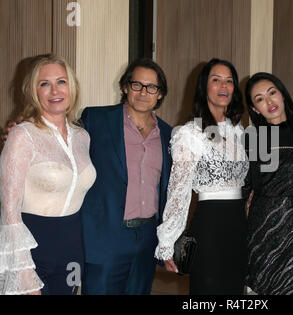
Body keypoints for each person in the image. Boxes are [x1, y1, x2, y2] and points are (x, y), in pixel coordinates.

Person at [0, 54, 96, 295]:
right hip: (32, 249)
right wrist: (22, 271)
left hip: (73, 248)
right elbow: (9, 211)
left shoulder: (82, 137)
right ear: (34, 91)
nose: (55, 90)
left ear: (72, 87)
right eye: (45, 83)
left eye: (61, 81)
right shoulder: (23, 135)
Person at [155, 58, 249, 295]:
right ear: (203, 87)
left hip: (239, 226)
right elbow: (179, 191)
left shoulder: (239, 130)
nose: (223, 86)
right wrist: (168, 243)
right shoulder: (189, 134)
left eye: (229, 81)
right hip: (209, 226)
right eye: (215, 80)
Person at [79, 58, 173, 295]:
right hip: (105, 239)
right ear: (124, 87)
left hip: (147, 240)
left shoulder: (169, 134)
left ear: (160, 94)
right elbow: (62, 146)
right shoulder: (96, 120)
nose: (144, 92)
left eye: (152, 87)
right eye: (136, 85)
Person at [243, 72, 293, 295]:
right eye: (259, 99)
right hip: (261, 231)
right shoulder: (252, 139)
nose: (269, 102)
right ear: (255, 109)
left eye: (272, 93)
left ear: (282, 95)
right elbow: (243, 188)